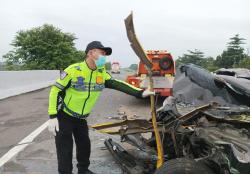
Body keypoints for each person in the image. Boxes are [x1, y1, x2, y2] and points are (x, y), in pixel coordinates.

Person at [48, 41, 154, 174]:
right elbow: (55, 90)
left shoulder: (101, 72)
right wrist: (52, 116)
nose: (104, 56)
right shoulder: (74, 70)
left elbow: (117, 83)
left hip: (81, 119)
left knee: (85, 146)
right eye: (102, 53)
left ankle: (83, 170)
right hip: (65, 117)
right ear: (90, 53)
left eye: (105, 54)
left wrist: (140, 93)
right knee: (65, 150)